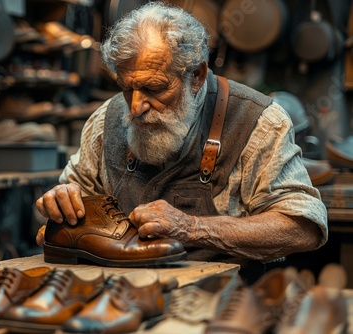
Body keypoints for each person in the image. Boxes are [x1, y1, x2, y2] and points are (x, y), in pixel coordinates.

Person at [35, 1, 328, 281]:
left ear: (197, 76)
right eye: (128, 89)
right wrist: (63, 204)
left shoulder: (257, 121)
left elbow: (303, 228)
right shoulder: (106, 120)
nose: (136, 107)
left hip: (220, 304)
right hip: (118, 298)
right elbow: (64, 219)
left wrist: (193, 227)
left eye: (154, 88)